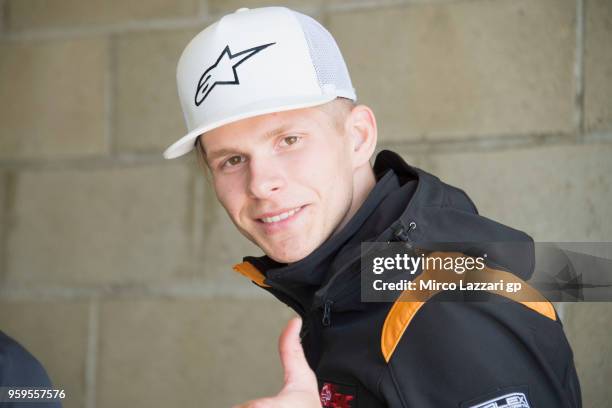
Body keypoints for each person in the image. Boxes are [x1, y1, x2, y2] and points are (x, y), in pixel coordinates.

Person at [163, 6, 582, 407]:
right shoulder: (351, 280)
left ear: (358, 137)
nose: (261, 184)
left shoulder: (448, 302)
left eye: (288, 140)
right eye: (232, 160)